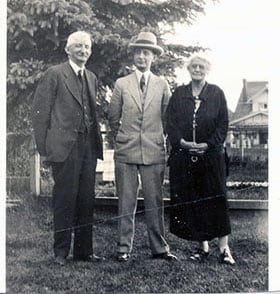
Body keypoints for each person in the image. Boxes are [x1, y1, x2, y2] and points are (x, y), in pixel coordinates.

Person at [32, 31, 104, 266]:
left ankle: (84, 252)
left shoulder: (91, 77)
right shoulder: (54, 74)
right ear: (68, 49)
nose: (84, 51)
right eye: (79, 47)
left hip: (88, 147)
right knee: (64, 199)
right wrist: (44, 150)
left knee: (86, 199)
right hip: (64, 148)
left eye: (87, 47)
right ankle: (60, 252)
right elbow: (40, 113)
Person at [108, 31, 177, 262]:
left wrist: (159, 138)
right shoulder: (122, 84)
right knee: (126, 201)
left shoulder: (162, 84)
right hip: (126, 151)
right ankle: (123, 248)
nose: (141, 57)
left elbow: (169, 118)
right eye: (138, 52)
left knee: (154, 201)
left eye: (146, 52)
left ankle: (159, 248)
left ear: (153, 57)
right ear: (133, 56)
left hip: (154, 150)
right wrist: (123, 138)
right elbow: (112, 117)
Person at [165, 53, 236, 265]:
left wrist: (207, 144)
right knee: (194, 199)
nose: (197, 69)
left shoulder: (216, 93)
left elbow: (223, 124)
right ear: (189, 69)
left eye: (201, 67)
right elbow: (171, 123)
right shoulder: (179, 94)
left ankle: (224, 248)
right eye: (194, 66)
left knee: (217, 199)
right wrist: (183, 143)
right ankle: (201, 246)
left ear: (207, 70)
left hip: (211, 157)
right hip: (186, 158)